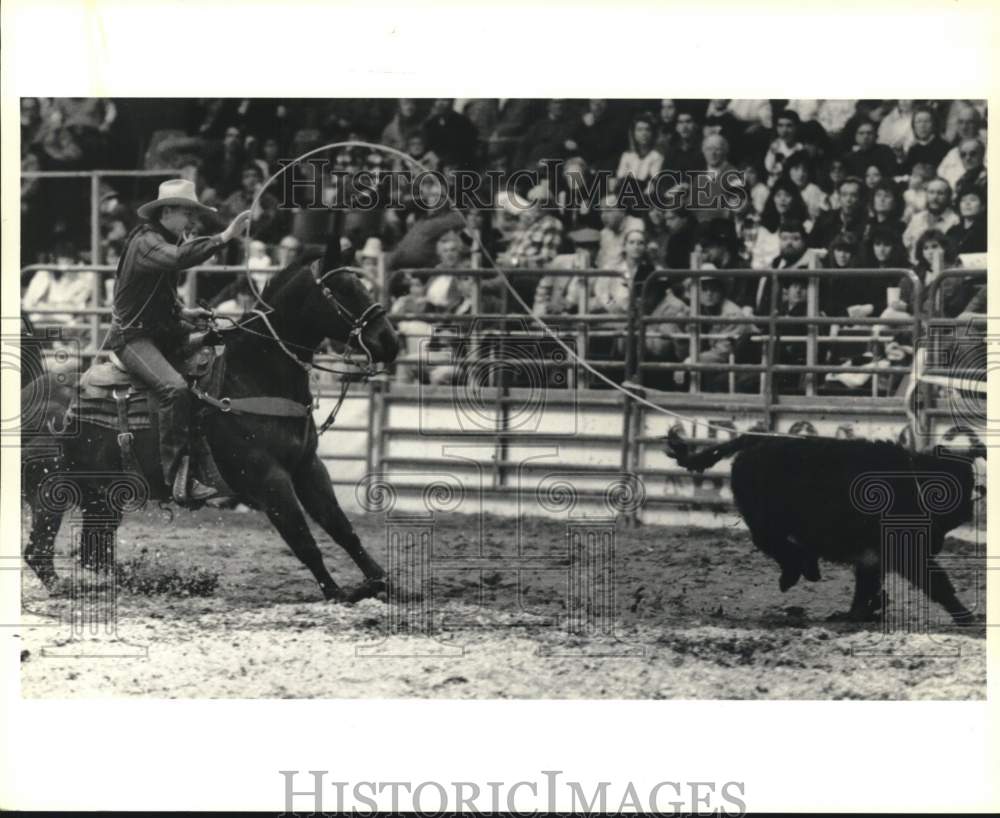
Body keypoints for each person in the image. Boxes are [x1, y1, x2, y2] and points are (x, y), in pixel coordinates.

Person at [103, 179, 251, 504]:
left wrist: (186, 314)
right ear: (167, 212)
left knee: (212, 353)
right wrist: (225, 237)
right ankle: (176, 478)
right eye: (187, 213)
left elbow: (162, 298)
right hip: (131, 339)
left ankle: (204, 462)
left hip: (156, 335)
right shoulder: (147, 243)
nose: (191, 221)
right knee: (175, 389)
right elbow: (179, 258)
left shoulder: (157, 241)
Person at [902, 177, 959, 261]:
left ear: (948, 197)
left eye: (940, 193)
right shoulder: (917, 219)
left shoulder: (955, 221)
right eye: (931, 192)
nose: (935, 198)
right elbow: (906, 244)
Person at [809, 176, 869, 248]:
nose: (848, 200)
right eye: (844, 195)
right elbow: (811, 245)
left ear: (860, 199)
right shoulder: (825, 219)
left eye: (854, 195)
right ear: (839, 197)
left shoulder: (866, 222)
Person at [615, 112, 664, 189]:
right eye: (639, 130)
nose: (644, 133)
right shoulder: (626, 156)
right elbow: (619, 181)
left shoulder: (656, 157)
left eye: (647, 130)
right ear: (633, 133)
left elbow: (651, 186)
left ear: (652, 133)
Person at [902, 106, 950, 173]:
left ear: (934, 124)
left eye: (927, 121)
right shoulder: (913, 150)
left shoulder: (945, 148)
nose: (922, 126)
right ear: (913, 126)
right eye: (918, 122)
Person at [947, 188, 987, 255]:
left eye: (972, 200)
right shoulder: (952, 231)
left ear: (983, 206)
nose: (967, 203)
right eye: (963, 200)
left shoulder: (986, 230)